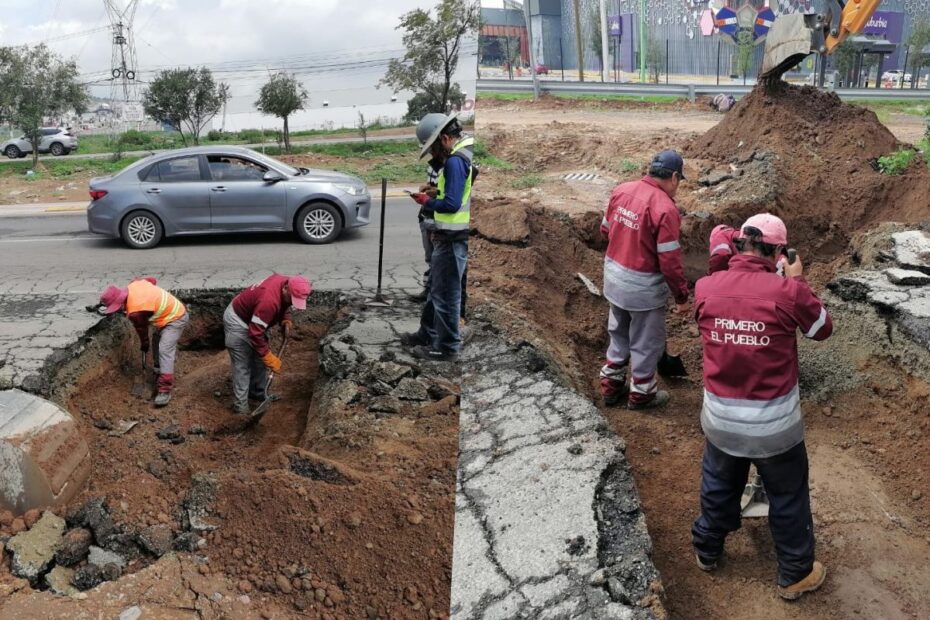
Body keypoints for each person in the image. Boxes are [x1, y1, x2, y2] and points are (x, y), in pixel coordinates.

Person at [691, 213, 833, 601]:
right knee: (787, 495)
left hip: (720, 421)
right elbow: (822, 328)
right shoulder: (788, 292)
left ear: (740, 245)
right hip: (774, 427)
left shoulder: (705, 287)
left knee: (719, 484)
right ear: (779, 252)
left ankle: (707, 550)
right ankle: (795, 574)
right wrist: (798, 281)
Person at [599, 150, 689, 409]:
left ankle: (612, 384)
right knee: (646, 341)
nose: (677, 188)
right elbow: (670, 262)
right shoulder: (665, 208)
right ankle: (642, 393)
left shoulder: (622, 190)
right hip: (643, 289)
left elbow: (605, 230)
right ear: (673, 176)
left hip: (614, 279)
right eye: (679, 181)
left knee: (618, 332)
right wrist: (681, 297)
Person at [402, 113, 475, 361]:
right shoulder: (466, 153)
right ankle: (427, 333)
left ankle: (445, 348)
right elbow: (461, 192)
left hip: (453, 237)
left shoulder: (455, 161)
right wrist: (435, 191)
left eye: (433, 148)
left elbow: (453, 204)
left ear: (445, 138)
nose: (434, 156)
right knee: (437, 287)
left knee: (446, 294)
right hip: (451, 236)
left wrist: (427, 201)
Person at [223, 273, 312, 414]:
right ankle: (240, 406)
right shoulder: (268, 301)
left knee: (258, 359)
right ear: (285, 289)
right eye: (292, 299)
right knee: (243, 364)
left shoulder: (288, 283)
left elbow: (286, 303)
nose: (292, 302)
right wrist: (268, 356)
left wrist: (285, 318)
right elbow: (255, 333)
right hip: (238, 320)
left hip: (254, 316)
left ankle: (258, 392)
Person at [98, 277, 189, 407]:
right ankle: (158, 371)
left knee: (164, 349)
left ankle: (165, 389)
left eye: (117, 307)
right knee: (157, 342)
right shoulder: (134, 284)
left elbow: (142, 330)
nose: (118, 310)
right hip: (164, 317)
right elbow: (151, 280)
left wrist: (144, 344)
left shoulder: (136, 311)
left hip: (176, 318)